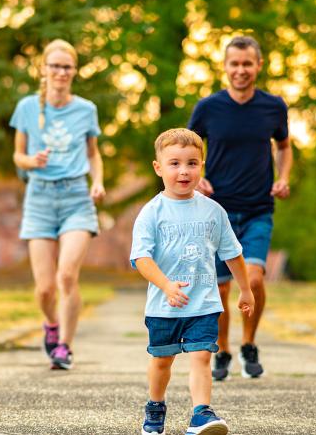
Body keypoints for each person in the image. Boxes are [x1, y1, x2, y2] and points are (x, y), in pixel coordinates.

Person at [130, 128, 254, 435]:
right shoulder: (151, 213)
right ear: (158, 167)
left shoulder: (213, 211)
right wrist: (166, 285)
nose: (183, 171)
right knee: (162, 361)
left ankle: (201, 413)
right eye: (174, 163)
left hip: (203, 302)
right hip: (164, 306)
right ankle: (156, 405)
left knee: (201, 356)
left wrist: (246, 289)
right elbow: (141, 259)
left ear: (202, 166)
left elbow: (232, 253)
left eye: (192, 163)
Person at [187, 35, 292, 381]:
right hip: (218, 213)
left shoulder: (273, 107)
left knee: (256, 278)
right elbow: (187, 147)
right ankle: (224, 350)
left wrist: (283, 176)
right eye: (235, 63)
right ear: (226, 66)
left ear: (258, 65)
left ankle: (248, 343)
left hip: (259, 207)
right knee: (220, 288)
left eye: (247, 63)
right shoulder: (208, 108)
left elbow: (284, 146)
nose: (241, 70)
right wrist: (196, 177)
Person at [10, 39, 105, 370]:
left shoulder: (86, 109)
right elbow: (17, 155)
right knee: (45, 288)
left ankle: (65, 346)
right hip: (39, 198)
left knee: (67, 276)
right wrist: (32, 162)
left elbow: (93, 153)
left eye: (67, 66)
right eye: (55, 66)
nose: (61, 72)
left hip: (76, 198)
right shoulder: (26, 108)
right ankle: (50, 324)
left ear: (74, 71)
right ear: (44, 69)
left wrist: (98, 182)